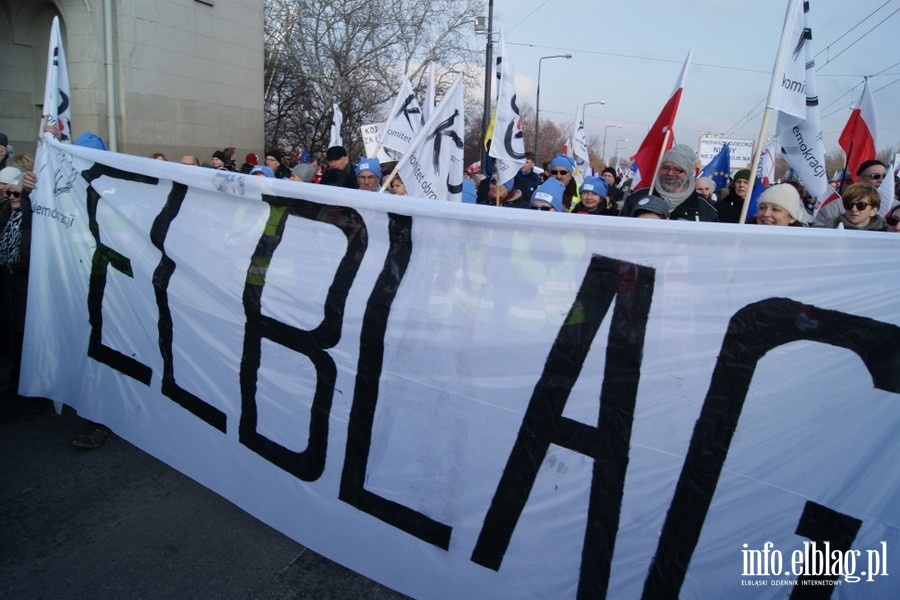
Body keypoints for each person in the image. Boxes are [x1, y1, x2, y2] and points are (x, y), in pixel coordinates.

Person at [619, 144, 717, 222]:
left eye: (677, 169)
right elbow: (620, 233)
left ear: (688, 172)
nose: (670, 173)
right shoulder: (638, 198)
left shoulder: (704, 207)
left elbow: (713, 243)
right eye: (666, 167)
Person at [816, 159, 888, 226]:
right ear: (860, 178)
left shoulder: (896, 206)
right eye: (875, 176)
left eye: (885, 176)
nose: (881, 180)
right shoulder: (834, 207)